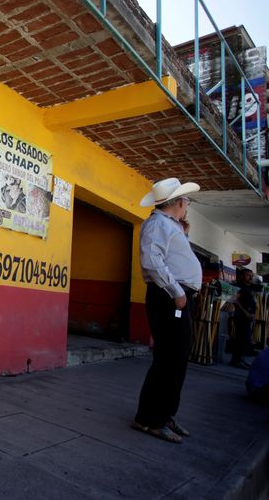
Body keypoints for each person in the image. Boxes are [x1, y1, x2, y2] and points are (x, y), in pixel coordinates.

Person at [132, 177, 202, 444]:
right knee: (168, 359)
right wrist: (177, 292)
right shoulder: (156, 224)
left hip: (177, 297)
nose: (187, 205)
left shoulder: (170, 225)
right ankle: (149, 419)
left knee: (178, 358)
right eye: (186, 201)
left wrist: (183, 232)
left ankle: (165, 414)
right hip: (169, 298)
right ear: (177, 202)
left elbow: (172, 257)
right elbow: (152, 261)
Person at [230, 268, 257, 369]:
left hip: (248, 317)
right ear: (242, 276)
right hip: (241, 316)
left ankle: (241, 359)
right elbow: (235, 300)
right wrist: (245, 312)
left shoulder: (250, 288)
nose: (250, 277)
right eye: (248, 275)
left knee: (246, 339)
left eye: (251, 275)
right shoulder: (240, 287)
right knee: (241, 339)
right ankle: (236, 360)